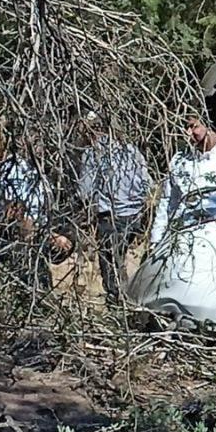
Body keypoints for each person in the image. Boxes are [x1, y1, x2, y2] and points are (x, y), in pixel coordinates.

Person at [0, 119, 72, 293]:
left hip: (32, 238)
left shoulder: (38, 172)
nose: (41, 148)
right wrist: (30, 246)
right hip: (17, 240)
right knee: (31, 287)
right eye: (35, 142)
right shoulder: (17, 169)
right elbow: (20, 213)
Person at [76, 112, 152, 303]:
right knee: (122, 258)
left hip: (110, 217)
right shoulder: (132, 150)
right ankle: (127, 297)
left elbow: (85, 190)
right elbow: (147, 184)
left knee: (110, 262)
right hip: (134, 216)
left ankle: (119, 301)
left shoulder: (92, 154)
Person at [149, 116, 216, 247]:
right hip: (179, 240)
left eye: (193, 126)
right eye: (186, 128)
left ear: (209, 126)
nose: (188, 133)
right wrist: (156, 239)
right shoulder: (180, 161)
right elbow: (167, 201)